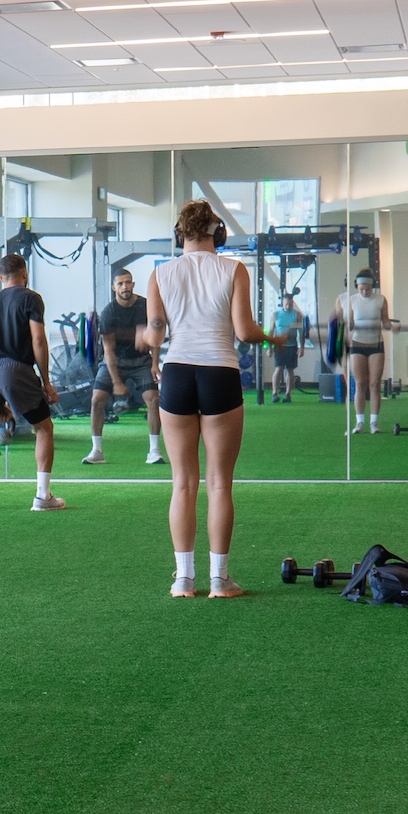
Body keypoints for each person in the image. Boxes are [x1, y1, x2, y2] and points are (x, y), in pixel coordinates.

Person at [143, 199, 277, 596]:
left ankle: (184, 578)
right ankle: (220, 579)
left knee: (183, 482)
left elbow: (155, 335)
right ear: (217, 233)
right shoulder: (234, 269)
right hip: (220, 372)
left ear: (179, 234)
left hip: (178, 373)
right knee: (219, 484)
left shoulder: (160, 274)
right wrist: (274, 336)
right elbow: (245, 332)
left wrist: (143, 338)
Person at [0, 252, 63, 512]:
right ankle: (42, 496)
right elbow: (38, 340)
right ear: (25, 274)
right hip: (16, 368)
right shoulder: (31, 298)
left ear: (1, 278)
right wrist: (47, 382)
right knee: (43, 428)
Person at [85, 267, 162, 466]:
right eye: (120, 284)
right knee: (97, 399)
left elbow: (156, 338)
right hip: (115, 362)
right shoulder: (109, 313)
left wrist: (155, 364)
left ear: (133, 284)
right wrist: (117, 382)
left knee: (153, 399)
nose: (125, 287)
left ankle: (154, 451)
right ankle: (97, 450)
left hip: (141, 361)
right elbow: (108, 352)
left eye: (128, 282)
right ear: (114, 287)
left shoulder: (145, 307)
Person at [337, 269, 399, 433]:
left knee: (374, 384)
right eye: (361, 288)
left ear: (372, 287)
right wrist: (345, 326)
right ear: (357, 286)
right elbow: (350, 322)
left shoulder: (380, 300)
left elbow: (385, 322)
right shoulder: (352, 300)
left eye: (367, 289)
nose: (364, 292)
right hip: (357, 343)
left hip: (376, 344)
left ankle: (374, 423)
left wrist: (393, 328)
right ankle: (359, 423)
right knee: (359, 383)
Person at [266, 294, 306, 403]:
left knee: (290, 370)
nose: (288, 306)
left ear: (293, 303)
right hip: (279, 347)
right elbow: (271, 332)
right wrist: (269, 347)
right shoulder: (276, 315)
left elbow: (300, 333)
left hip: (292, 346)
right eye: (286, 304)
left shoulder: (297, 316)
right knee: (278, 369)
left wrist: (301, 348)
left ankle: (288, 394)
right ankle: (275, 393)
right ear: (283, 303)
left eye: (290, 304)